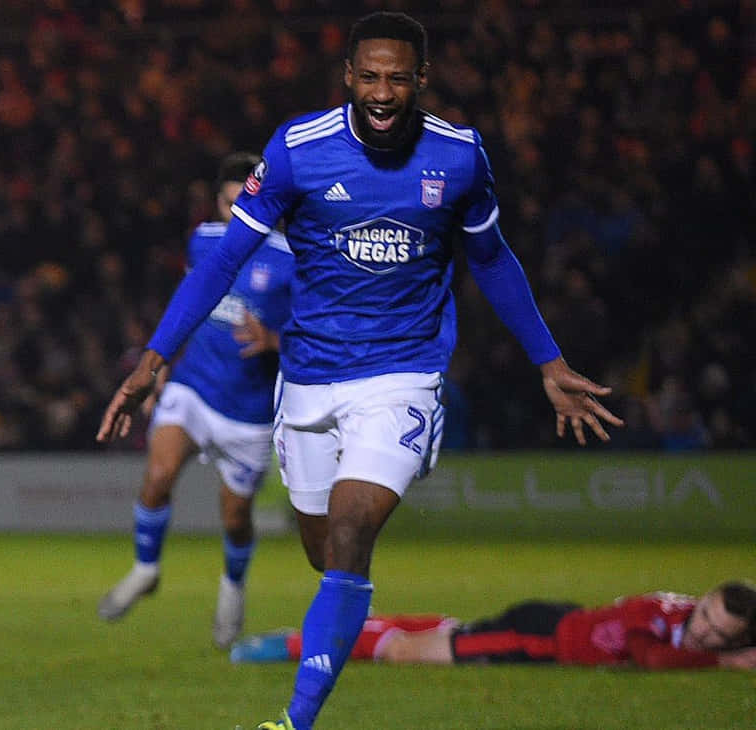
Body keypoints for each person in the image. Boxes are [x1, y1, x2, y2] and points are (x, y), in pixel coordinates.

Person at [96, 14, 623, 730]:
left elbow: (491, 259)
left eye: (398, 78)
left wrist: (548, 359)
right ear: (348, 77)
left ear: (421, 81)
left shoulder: (459, 156)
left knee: (350, 532)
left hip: (401, 375)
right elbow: (223, 261)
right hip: (309, 380)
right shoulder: (297, 151)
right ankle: (339, 612)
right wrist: (155, 359)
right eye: (370, 76)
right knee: (324, 554)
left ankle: (296, 721)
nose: (383, 92)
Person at [97, 152, 294, 650]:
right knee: (158, 474)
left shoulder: (291, 257)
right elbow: (191, 305)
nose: (236, 213)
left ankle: (232, 588)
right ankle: (145, 568)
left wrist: (275, 341)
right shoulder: (204, 241)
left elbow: (317, 330)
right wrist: (158, 370)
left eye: (243, 202)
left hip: (249, 411)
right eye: (228, 203)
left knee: (234, 517)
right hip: (194, 387)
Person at [230, 580, 756, 671]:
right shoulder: (662, 615)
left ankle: (361, 625)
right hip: (537, 639)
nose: (704, 629)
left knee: (451, 632)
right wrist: (724, 663)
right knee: (404, 654)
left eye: (719, 633)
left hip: (549, 626)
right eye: (707, 614)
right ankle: (297, 645)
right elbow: (647, 658)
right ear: (704, 598)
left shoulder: (682, 627)